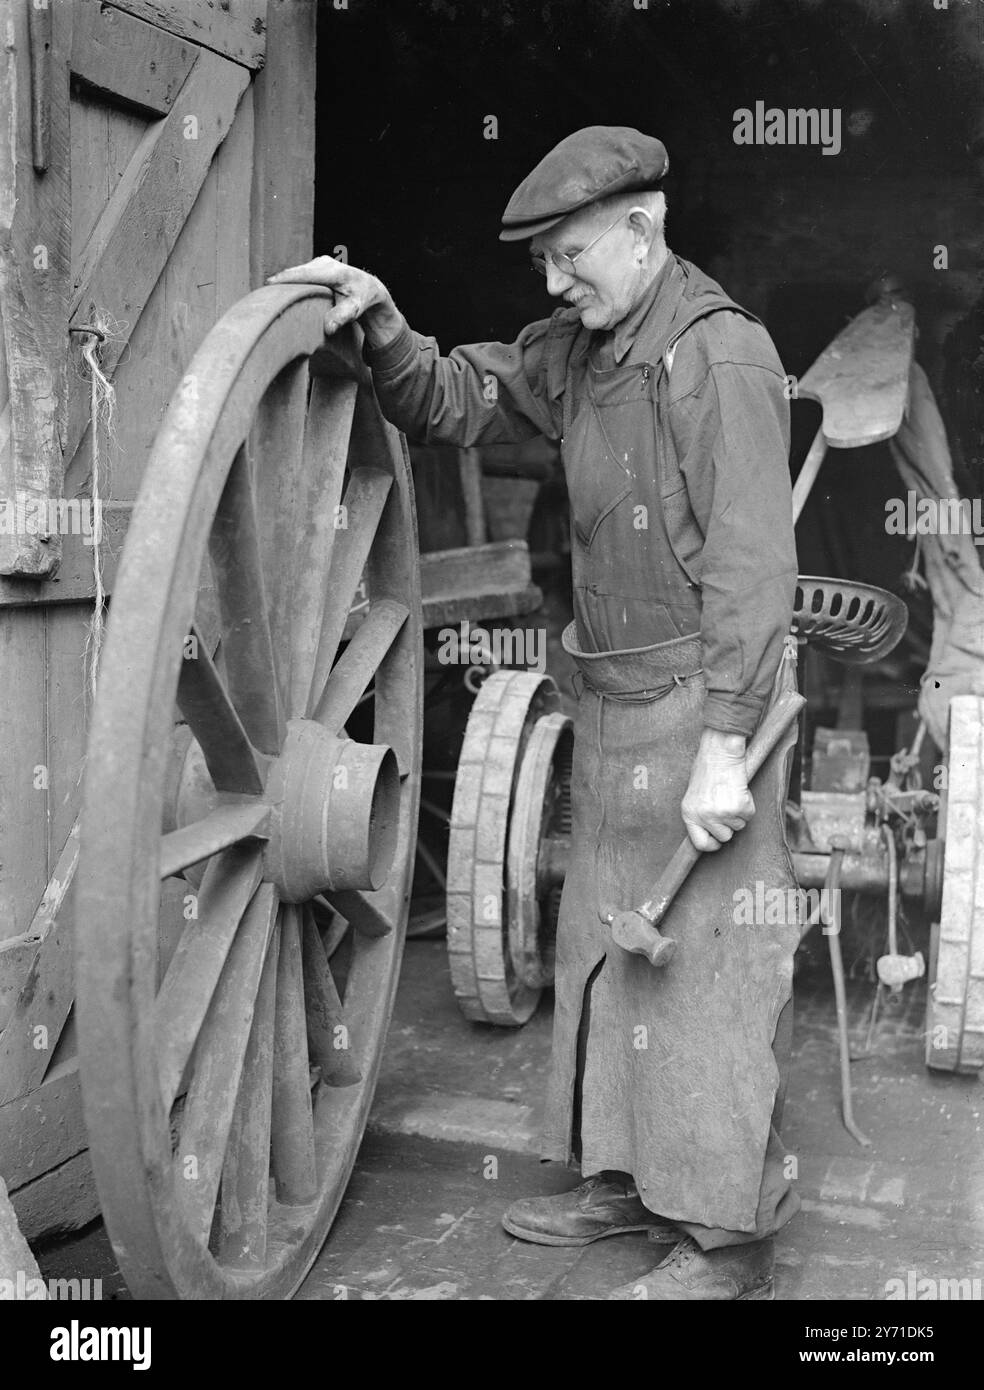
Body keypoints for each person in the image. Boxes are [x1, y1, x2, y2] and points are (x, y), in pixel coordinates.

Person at [271, 125, 801, 1301]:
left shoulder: (721, 357)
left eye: (569, 258)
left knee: (705, 976)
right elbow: (454, 399)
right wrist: (385, 322)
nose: (553, 284)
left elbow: (757, 568)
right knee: (608, 962)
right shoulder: (578, 351)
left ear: (642, 231)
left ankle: (725, 1241)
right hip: (610, 700)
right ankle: (625, 1180)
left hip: (703, 711)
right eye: (542, 267)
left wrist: (725, 752)